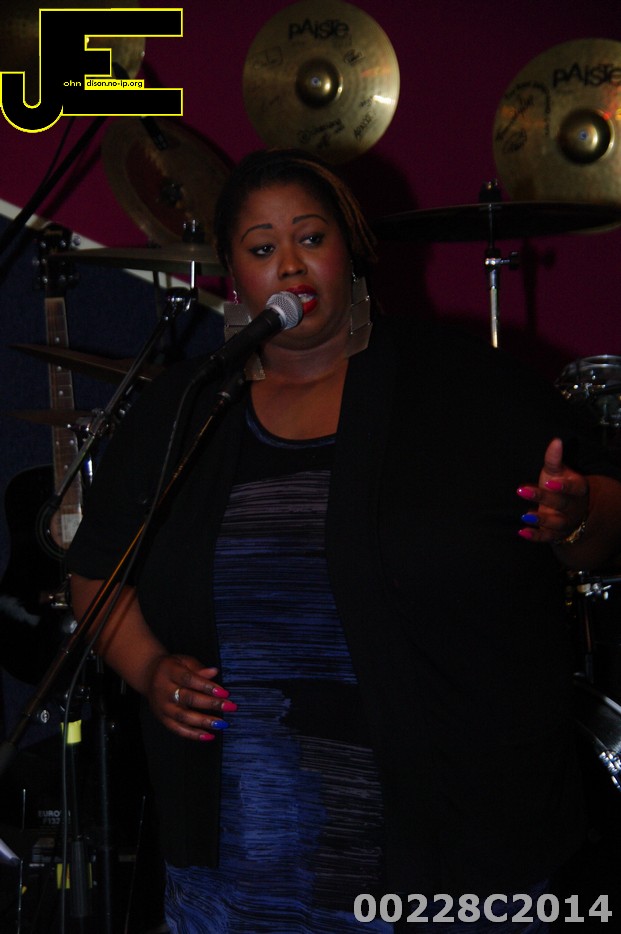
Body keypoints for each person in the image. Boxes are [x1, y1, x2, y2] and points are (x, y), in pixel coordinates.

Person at [67, 148, 621, 933]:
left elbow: (600, 521)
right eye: (262, 247)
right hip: (238, 861)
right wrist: (149, 667)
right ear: (233, 271)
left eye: (310, 238)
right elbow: (96, 572)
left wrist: (579, 515)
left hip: (450, 857)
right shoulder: (187, 409)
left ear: (350, 247)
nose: (290, 265)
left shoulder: (465, 382)